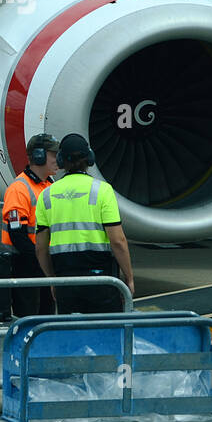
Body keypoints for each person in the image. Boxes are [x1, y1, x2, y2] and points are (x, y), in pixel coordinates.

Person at [35, 133, 134, 313]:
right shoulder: (102, 191)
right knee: (108, 334)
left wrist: (52, 279)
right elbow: (118, 241)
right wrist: (129, 278)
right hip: (101, 279)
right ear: (89, 158)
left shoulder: (46, 195)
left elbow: (41, 248)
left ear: (60, 160)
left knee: (72, 334)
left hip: (65, 280)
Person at [1, 133, 58, 318]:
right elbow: (17, 235)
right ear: (39, 156)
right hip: (25, 265)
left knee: (47, 316)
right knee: (28, 316)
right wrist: (40, 260)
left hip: (43, 264)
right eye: (53, 155)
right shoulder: (19, 189)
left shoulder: (50, 185)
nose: (58, 159)